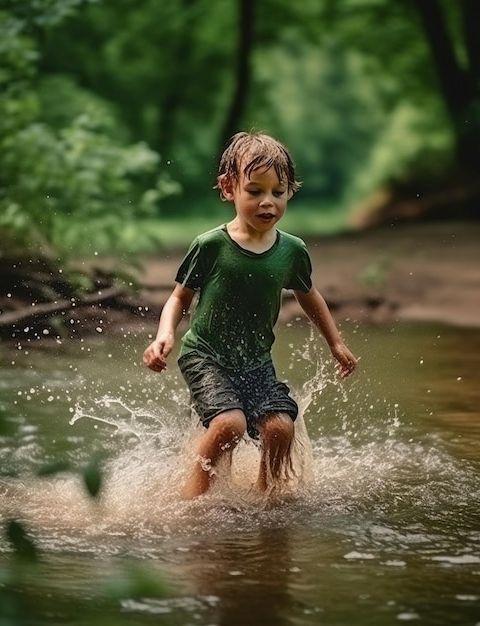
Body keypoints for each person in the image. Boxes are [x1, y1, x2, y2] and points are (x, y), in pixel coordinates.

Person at [143, 131, 357, 499]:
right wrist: (165, 335)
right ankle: (193, 503)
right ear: (228, 188)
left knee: (280, 428)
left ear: (290, 191)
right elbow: (179, 297)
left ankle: (267, 499)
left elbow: (310, 296)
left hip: (255, 361)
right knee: (230, 423)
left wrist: (335, 343)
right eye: (255, 191)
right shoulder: (210, 245)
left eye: (278, 192)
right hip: (205, 356)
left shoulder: (292, 250)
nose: (267, 202)